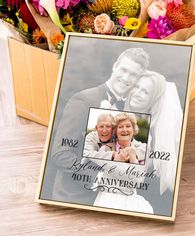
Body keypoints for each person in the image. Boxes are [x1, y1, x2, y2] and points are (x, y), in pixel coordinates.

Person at [51, 48, 149, 204]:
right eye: (123, 70)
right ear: (115, 66)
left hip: (115, 199)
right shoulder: (83, 100)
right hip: (76, 198)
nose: (126, 78)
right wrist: (99, 178)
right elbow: (60, 153)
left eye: (133, 75)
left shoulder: (133, 109)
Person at [125, 70, 183, 195]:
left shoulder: (151, 134)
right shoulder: (114, 113)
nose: (137, 93)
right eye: (136, 87)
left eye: (145, 92)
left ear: (153, 99)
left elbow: (137, 179)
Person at [93, 112, 153, 213]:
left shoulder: (144, 149)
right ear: (115, 131)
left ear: (133, 130)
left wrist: (133, 157)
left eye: (128, 126)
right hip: (108, 198)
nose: (124, 130)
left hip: (131, 201)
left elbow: (138, 181)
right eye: (120, 127)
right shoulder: (105, 149)